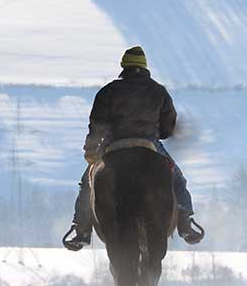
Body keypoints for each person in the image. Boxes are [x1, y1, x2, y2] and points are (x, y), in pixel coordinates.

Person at [62, 46, 205, 250]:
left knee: (88, 183)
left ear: (124, 66)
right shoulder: (158, 91)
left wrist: (92, 151)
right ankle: (185, 222)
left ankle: (82, 229)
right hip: (149, 144)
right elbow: (167, 129)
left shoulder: (108, 91)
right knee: (177, 178)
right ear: (145, 66)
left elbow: (97, 125)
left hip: (113, 145)